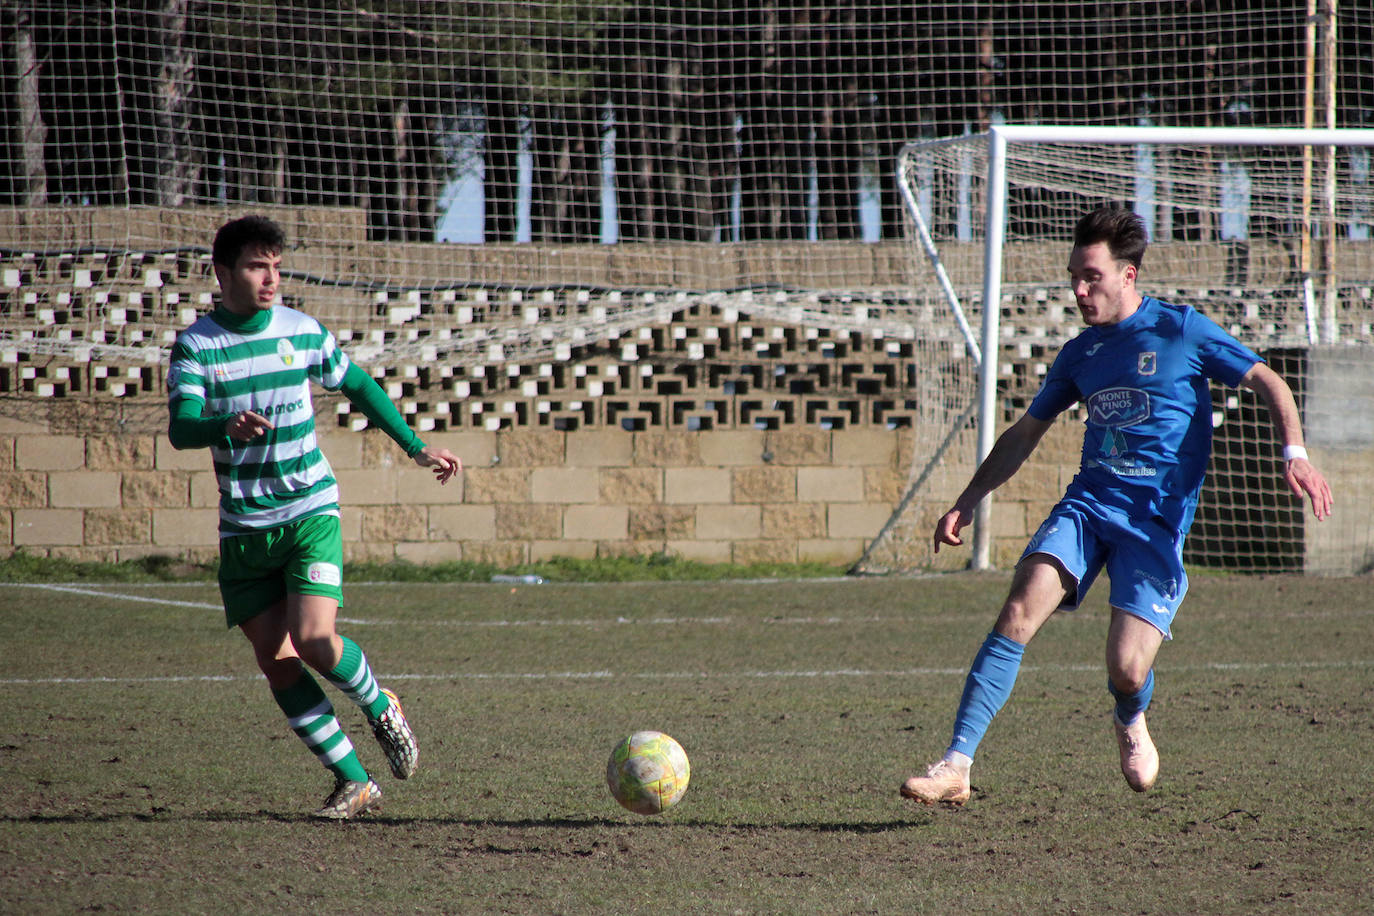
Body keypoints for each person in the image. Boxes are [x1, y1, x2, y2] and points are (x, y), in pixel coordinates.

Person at [901, 207, 1333, 807]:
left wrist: (1296, 453)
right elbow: (1026, 432)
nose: (1079, 290)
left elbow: (1268, 382)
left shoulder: (1181, 330)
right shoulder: (1080, 354)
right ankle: (956, 763)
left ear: (1128, 275)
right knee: (1020, 610)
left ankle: (1131, 716)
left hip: (1154, 524)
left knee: (1127, 669)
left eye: (1091, 277)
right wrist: (969, 499)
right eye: (1074, 277)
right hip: (1088, 505)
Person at [167, 215, 462, 819]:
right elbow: (180, 427)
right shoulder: (198, 345)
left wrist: (414, 445)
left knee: (315, 638)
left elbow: (358, 385)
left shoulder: (300, 331)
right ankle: (355, 779)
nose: (271, 277)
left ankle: (381, 706)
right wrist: (221, 426)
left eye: (276, 265)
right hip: (245, 527)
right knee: (276, 661)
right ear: (222, 273)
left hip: (309, 510)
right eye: (256, 265)